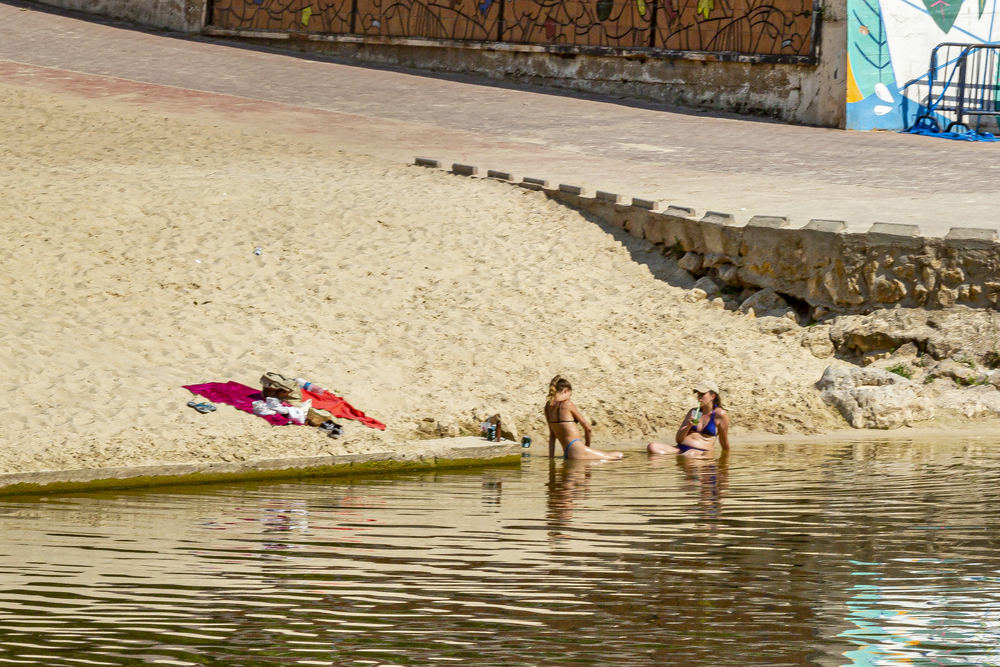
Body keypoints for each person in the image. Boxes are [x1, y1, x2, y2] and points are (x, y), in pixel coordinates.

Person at [545, 375, 623, 461]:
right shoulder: (567, 404)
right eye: (570, 395)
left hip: (567, 452)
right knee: (619, 456)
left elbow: (552, 435)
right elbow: (588, 428)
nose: (569, 397)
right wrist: (587, 447)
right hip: (578, 449)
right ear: (565, 390)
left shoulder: (548, 407)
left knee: (615, 455)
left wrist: (551, 458)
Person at [647, 380, 730, 457]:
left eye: (702, 394)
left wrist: (725, 461)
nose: (699, 398)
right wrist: (688, 426)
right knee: (652, 446)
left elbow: (723, 440)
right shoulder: (693, 412)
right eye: (698, 395)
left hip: (702, 452)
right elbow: (678, 439)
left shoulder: (719, 414)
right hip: (681, 448)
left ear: (712, 396)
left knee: (690, 454)